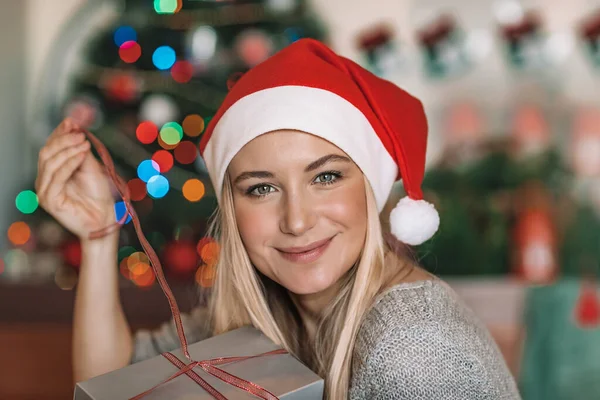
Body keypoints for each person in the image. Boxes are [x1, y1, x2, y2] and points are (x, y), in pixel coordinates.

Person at [36, 38, 521, 399]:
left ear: (371, 190)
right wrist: (100, 239)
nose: (296, 220)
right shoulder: (262, 315)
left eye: (326, 178)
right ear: (232, 210)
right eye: (262, 188)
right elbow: (116, 384)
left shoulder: (410, 345)